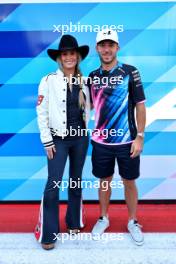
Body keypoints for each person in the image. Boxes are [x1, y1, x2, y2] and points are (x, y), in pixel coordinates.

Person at [88, 29, 146, 245]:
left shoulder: (131, 72)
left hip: (127, 141)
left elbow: (140, 106)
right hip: (101, 141)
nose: (106, 49)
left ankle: (133, 221)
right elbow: (89, 107)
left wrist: (139, 136)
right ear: (97, 48)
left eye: (110, 45)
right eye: (102, 45)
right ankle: (103, 218)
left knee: (129, 182)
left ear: (117, 48)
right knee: (104, 181)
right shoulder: (92, 76)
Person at [34, 35, 90, 250]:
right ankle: (49, 232)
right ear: (59, 58)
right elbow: (41, 112)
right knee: (53, 184)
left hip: (80, 140)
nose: (68, 57)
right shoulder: (48, 80)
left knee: (75, 181)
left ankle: (74, 221)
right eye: (64, 54)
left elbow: (91, 110)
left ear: (77, 57)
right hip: (58, 140)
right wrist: (47, 141)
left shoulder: (85, 81)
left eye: (72, 54)